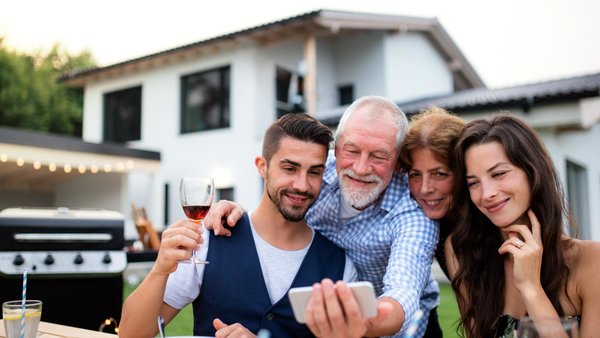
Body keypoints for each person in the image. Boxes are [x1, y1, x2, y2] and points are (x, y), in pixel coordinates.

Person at [205, 96, 440, 338]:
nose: (360, 168)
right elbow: (279, 196)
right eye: (351, 150)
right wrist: (235, 212)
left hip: (398, 328)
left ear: (399, 162)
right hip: (320, 315)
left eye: (379, 156)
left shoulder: (412, 213)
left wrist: (356, 320)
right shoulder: (314, 172)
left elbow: (403, 293)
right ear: (335, 149)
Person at [119, 113, 358, 338]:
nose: (302, 185)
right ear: (262, 166)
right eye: (289, 168)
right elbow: (131, 334)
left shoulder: (341, 267)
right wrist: (160, 269)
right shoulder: (209, 239)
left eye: (314, 172)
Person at [445, 114, 600, 337]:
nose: (487, 193)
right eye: (473, 183)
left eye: (499, 173)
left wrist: (531, 287)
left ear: (532, 172)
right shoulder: (464, 252)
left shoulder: (591, 261)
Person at [398, 106, 465, 278]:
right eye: (415, 175)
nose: (425, 188)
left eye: (440, 174)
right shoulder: (433, 226)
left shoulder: (493, 223)